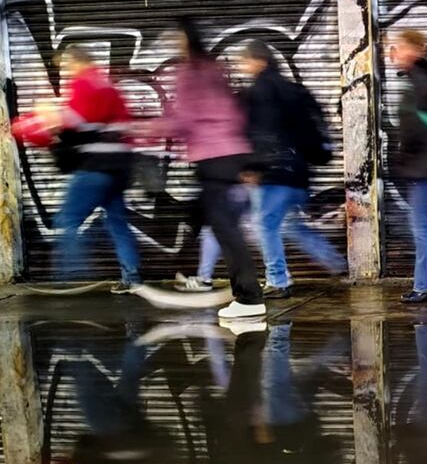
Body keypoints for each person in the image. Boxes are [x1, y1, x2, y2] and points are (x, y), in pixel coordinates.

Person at [144, 16, 265, 319]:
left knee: (226, 230)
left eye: (175, 37)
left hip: (214, 159)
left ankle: (249, 299)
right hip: (231, 156)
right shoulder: (213, 69)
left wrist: (145, 128)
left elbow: (184, 120)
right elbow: (235, 114)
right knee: (215, 223)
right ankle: (235, 291)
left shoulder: (190, 73)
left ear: (186, 38)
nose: (171, 42)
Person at [239, 40, 346, 300]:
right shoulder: (293, 90)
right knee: (290, 225)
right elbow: (311, 129)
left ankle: (278, 280)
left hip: (273, 173)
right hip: (299, 174)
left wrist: (253, 166)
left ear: (259, 60)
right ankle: (336, 263)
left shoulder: (261, 91)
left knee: (265, 225)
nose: (242, 66)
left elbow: (263, 132)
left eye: (245, 60)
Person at [41, 45, 143, 293]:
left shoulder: (83, 83)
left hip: (95, 166)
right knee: (118, 223)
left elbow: (76, 121)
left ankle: (68, 276)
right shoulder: (108, 85)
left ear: (77, 62)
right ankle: (132, 278)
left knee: (68, 219)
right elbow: (124, 125)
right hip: (119, 166)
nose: (66, 71)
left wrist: (49, 119)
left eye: (67, 65)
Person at [390, 29, 427, 304]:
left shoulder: (420, 80)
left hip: (423, 164)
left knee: (419, 227)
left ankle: (426, 286)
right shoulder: (419, 77)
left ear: (413, 50)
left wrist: (405, 155)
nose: (394, 53)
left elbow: (419, 124)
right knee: (419, 226)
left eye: (399, 47)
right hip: (423, 163)